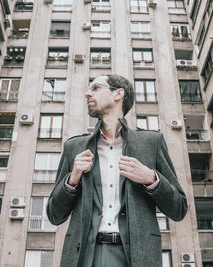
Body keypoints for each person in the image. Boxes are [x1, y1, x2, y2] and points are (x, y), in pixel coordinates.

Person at [47, 74, 187, 267]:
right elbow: (54, 215)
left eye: (96, 88)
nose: (87, 93)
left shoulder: (151, 143)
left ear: (118, 94)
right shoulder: (74, 147)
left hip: (137, 257)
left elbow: (179, 209)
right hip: (85, 256)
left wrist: (151, 179)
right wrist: (71, 181)